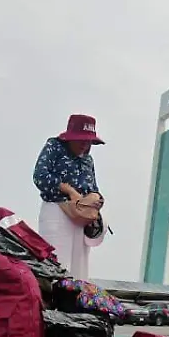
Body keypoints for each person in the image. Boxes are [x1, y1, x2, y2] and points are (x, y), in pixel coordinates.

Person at [32, 114, 105, 280]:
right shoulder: (54, 147)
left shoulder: (88, 159)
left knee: (79, 270)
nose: (84, 145)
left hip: (81, 215)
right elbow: (40, 175)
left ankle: (73, 303)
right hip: (57, 209)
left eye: (88, 142)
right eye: (81, 140)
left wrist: (96, 198)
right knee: (56, 264)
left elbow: (93, 186)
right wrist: (68, 190)